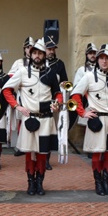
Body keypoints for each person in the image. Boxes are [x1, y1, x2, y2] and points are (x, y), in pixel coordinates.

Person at [1, 38, 63, 196]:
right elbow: (6, 90)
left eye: (40, 53)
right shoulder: (22, 72)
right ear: (30, 54)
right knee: (30, 153)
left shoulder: (51, 73)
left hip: (46, 119)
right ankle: (30, 182)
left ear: (44, 55)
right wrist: (17, 106)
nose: (37, 55)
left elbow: (57, 93)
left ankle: (40, 183)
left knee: (42, 153)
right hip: (29, 120)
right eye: (34, 52)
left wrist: (58, 103)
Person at [70, 43, 108, 196]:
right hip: (97, 120)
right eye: (101, 58)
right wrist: (82, 113)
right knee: (97, 153)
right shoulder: (89, 77)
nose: (104, 61)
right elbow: (75, 95)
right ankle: (98, 182)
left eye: (107, 58)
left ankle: (106, 182)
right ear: (97, 60)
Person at [44, 30, 70, 170]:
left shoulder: (60, 64)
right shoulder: (39, 64)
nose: (51, 51)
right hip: (41, 100)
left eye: (53, 48)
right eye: (49, 48)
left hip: (55, 100)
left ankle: (47, 159)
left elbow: (65, 81)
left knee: (50, 130)